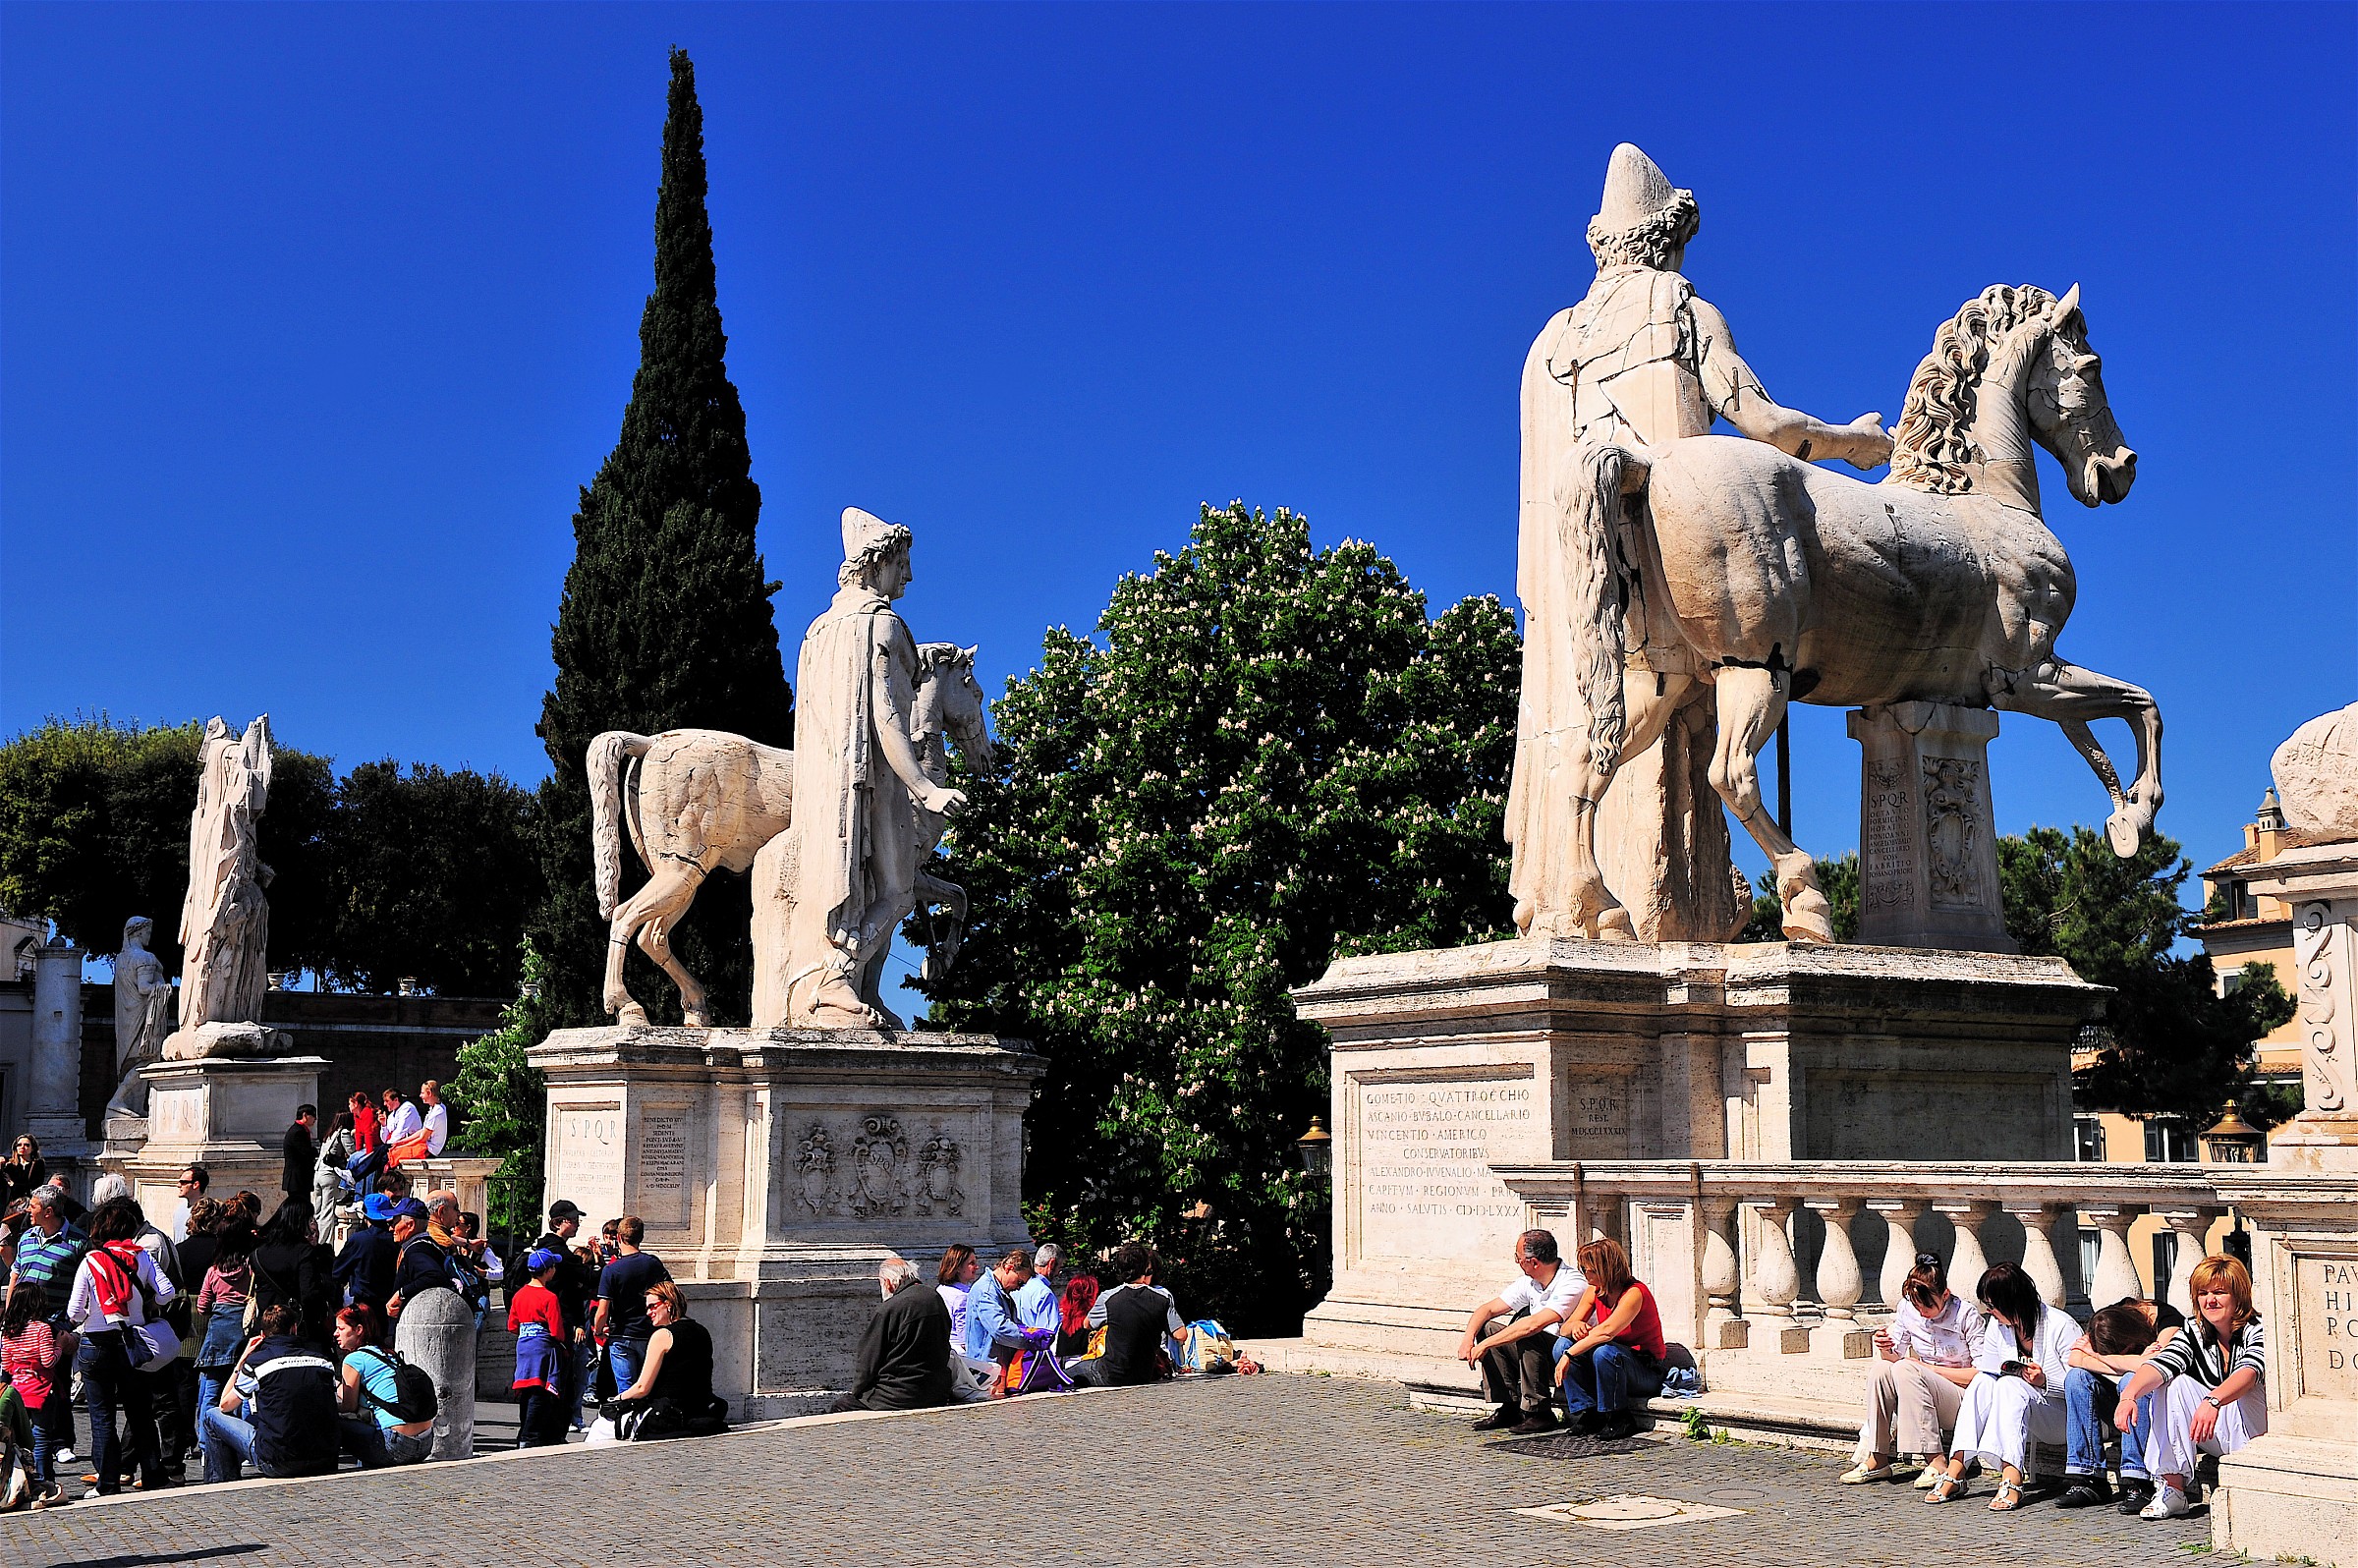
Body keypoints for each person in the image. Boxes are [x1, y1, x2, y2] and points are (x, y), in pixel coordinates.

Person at [2116, 1255, 2269, 1521]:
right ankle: (2172, 1489)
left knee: (2248, 1389)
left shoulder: (2258, 1329)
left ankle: (2251, 1480)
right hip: (2215, 1429)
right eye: (2203, 1293)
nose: (2210, 1300)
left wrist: (2213, 1400)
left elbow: (2251, 1370)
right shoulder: (2193, 1329)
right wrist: (2128, 1396)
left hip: (2255, 1431)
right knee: (2172, 1382)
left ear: (2239, 1296)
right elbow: (2164, 1361)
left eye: (2219, 1292)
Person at [1924, 1261, 2078, 1509]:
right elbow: (1990, 1369)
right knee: (1983, 1380)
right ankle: (1957, 1468)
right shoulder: (1998, 1326)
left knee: (2010, 1386)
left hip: (2064, 1416)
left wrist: (2045, 1381)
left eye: (1993, 1305)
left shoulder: (2061, 1326)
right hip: (2022, 1410)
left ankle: (2012, 1478)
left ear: (2012, 1302)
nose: (1989, 1311)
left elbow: (2082, 1388)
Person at [66, 1195, 178, 1496]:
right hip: (132, 1340)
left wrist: (94, 1313)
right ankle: (154, 1474)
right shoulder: (141, 1255)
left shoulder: (91, 1261)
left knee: (102, 1417)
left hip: (96, 1343)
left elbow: (74, 1312)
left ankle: (109, 1483)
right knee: (140, 1412)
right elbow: (167, 1291)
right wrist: (149, 1305)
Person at [1842, 1252, 1983, 1486]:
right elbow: (1894, 1359)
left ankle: (1936, 1460)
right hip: (1919, 1388)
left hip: (1961, 1396)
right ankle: (1878, 1457)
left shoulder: (1966, 1314)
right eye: (1917, 1305)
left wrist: (1928, 1369)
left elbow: (1981, 1374)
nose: (1922, 1312)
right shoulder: (1908, 1309)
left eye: (1928, 1305)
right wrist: (1885, 1346)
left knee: (1908, 1368)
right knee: (1881, 1369)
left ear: (1945, 1295)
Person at [2057, 1296, 2184, 1512]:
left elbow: (2152, 1365)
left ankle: (2140, 1480)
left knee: (2133, 1380)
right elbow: (2075, 1359)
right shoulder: (2112, 1316)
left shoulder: (2168, 1322)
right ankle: (2089, 1477)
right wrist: (2123, 1361)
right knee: (2076, 1378)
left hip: (2155, 1408)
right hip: (2120, 1405)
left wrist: (2098, 1357)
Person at [1457, 1228, 1585, 1434]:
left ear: (1534, 1262)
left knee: (1528, 1335)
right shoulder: (1529, 1281)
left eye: (1518, 1258)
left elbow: (1534, 1324)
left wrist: (1485, 1345)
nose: (1516, 1262)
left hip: (1563, 1355)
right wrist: (1468, 1340)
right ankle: (1510, 1405)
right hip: (1535, 1353)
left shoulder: (1572, 1283)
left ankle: (1539, 1412)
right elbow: (1487, 1309)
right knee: (1488, 1328)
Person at [199, 1302, 338, 1482]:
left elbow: (225, 1405)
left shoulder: (257, 1363)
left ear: (263, 1335)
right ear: (294, 1329)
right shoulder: (322, 1362)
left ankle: (221, 1481)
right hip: (325, 1459)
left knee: (212, 1415)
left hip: (278, 1461)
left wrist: (241, 1362)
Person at [1550, 1237, 1667, 1439]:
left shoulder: (1634, 1293)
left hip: (1645, 1368)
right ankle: (1590, 1412)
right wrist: (1575, 1326)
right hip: (1613, 1365)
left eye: (1588, 1269)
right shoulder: (1593, 1291)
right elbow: (1565, 1328)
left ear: (1604, 1269)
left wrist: (1569, 1355)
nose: (1584, 1274)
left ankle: (1619, 1416)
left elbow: (1606, 1331)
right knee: (1561, 1345)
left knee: (1604, 1351)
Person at [829, 1257, 951, 1412]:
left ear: (887, 1282)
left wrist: (857, 1391)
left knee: (841, 1405)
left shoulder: (890, 1308)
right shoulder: (935, 1298)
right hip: (937, 1390)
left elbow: (868, 1361)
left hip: (898, 1395)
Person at [609, 1280, 723, 1437]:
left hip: (668, 1416)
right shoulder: (702, 1331)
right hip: (701, 1411)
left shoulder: (663, 1336)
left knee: (600, 1427)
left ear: (668, 1304)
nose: (648, 1312)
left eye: (652, 1306)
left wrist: (616, 1399)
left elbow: (642, 1388)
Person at [1072, 1243, 1188, 1388]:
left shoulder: (1109, 1298)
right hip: (1145, 1373)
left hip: (1111, 1373)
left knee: (1065, 1373)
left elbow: (1087, 1324)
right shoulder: (1162, 1299)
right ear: (1146, 1268)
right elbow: (1181, 1334)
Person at [331, 1302, 431, 1468]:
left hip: (397, 1445)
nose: (335, 1334)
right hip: (426, 1442)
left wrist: (326, 1407)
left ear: (358, 1330)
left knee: (335, 1422)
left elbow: (349, 1406)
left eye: (341, 1329)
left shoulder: (354, 1359)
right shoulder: (388, 1353)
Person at [2, 1281, 73, 1506]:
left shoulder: (8, 1330)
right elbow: (48, 1360)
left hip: (18, 1390)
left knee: (21, 1440)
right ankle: (43, 1483)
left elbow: (7, 1365)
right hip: (40, 1390)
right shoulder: (41, 1329)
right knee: (41, 1438)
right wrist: (59, 1345)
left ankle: (25, 1482)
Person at [192, 1218, 256, 1468]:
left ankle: (207, 1447)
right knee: (242, 1393)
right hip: (243, 1336)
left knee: (210, 1393)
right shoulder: (250, 1268)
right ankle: (241, 1447)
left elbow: (202, 1306)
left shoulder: (213, 1272)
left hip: (217, 1337)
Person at [534, 1200, 596, 1430]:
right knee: (566, 1373)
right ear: (559, 1223)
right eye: (574, 1220)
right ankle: (560, 1420)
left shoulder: (540, 1248)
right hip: (564, 1322)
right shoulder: (561, 1255)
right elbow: (589, 1280)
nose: (578, 1225)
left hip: (541, 1322)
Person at [594, 1216, 671, 1390]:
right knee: (649, 1387)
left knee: (626, 1389)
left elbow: (602, 1311)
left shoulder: (611, 1270)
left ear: (619, 1237)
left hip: (621, 1334)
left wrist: (598, 1330)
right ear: (641, 1238)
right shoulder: (653, 1264)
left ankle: (628, 1417)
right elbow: (670, 1294)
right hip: (649, 1332)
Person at [508, 1249, 570, 1447]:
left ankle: (523, 1432)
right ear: (548, 1270)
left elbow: (512, 1326)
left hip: (524, 1346)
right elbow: (556, 1330)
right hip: (542, 1348)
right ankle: (529, 1435)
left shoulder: (519, 1295)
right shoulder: (549, 1297)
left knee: (526, 1390)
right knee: (539, 1390)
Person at [249, 1199, 328, 1349]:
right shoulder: (304, 1252)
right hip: (295, 1328)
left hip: (266, 1326)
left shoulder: (258, 1254)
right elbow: (309, 1294)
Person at [962, 1249, 1036, 1397]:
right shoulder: (987, 1291)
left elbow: (1012, 1323)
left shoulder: (1001, 1291)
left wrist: (1030, 1331)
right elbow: (1000, 1329)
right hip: (987, 1368)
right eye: (1019, 1281)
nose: (1019, 1287)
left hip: (996, 1366)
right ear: (1009, 1268)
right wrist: (1029, 1339)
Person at [335, 1194, 400, 1327]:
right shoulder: (396, 1240)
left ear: (365, 1215)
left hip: (364, 1305)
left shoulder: (359, 1240)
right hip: (391, 1305)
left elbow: (338, 1272)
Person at [935, 1244, 980, 1360]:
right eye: (971, 1263)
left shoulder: (941, 1289)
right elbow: (964, 1335)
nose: (976, 1267)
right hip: (961, 1353)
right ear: (958, 1267)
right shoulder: (962, 1297)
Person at [312, 1109, 358, 1217]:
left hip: (319, 1172)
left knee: (318, 1212)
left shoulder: (329, 1133)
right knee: (327, 1212)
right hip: (329, 1174)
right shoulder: (344, 1132)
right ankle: (324, 1235)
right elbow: (352, 1152)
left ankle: (315, 1233)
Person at [1013, 1243, 1062, 1335]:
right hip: (1036, 1347)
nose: (1059, 1273)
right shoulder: (1044, 1294)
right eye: (1059, 1267)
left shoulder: (1016, 1287)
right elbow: (1049, 1334)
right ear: (1051, 1264)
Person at [281, 1105, 316, 1203]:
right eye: (313, 1115)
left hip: (300, 1179)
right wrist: (315, 1151)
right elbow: (306, 1152)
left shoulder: (299, 1130)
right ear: (305, 1115)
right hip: (297, 1180)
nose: (315, 1119)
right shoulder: (297, 1132)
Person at [1, 1138, 48, 1209]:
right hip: (14, 1204)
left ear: (32, 1148)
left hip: (30, 1204)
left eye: (27, 1145)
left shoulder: (38, 1164)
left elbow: (35, 1186)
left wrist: (13, 1185)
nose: (22, 1147)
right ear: (15, 1148)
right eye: (19, 1145)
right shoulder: (10, 1166)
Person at [170, 1165, 209, 1245]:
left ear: (195, 1185)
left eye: (183, 1182)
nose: (178, 1185)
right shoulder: (179, 1208)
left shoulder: (207, 1211)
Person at [419, 1080, 450, 1156]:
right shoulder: (434, 1108)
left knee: (393, 1155)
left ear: (429, 1093)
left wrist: (403, 1145)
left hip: (429, 1150)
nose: (420, 1096)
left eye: (422, 1093)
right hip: (426, 1146)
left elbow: (423, 1138)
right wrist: (402, 1142)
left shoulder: (437, 1112)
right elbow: (422, 1132)